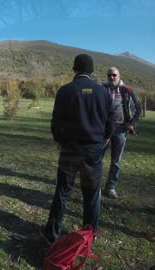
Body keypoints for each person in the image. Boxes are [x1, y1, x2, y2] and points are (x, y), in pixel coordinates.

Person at [40, 54, 114, 245]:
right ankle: (90, 235)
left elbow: (56, 121)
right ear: (91, 70)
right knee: (91, 195)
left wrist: (58, 141)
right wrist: (103, 142)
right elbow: (111, 124)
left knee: (63, 192)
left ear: (75, 69)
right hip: (93, 151)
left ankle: (52, 234)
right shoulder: (103, 92)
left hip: (70, 150)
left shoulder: (65, 91)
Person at [102, 67, 141, 199]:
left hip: (120, 129)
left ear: (119, 76)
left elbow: (137, 109)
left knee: (116, 160)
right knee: (97, 156)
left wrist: (131, 123)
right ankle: (93, 183)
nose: (111, 77)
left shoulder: (127, 90)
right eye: (109, 75)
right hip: (104, 129)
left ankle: (110, 187)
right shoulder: (102, 88)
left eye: (114, 75)